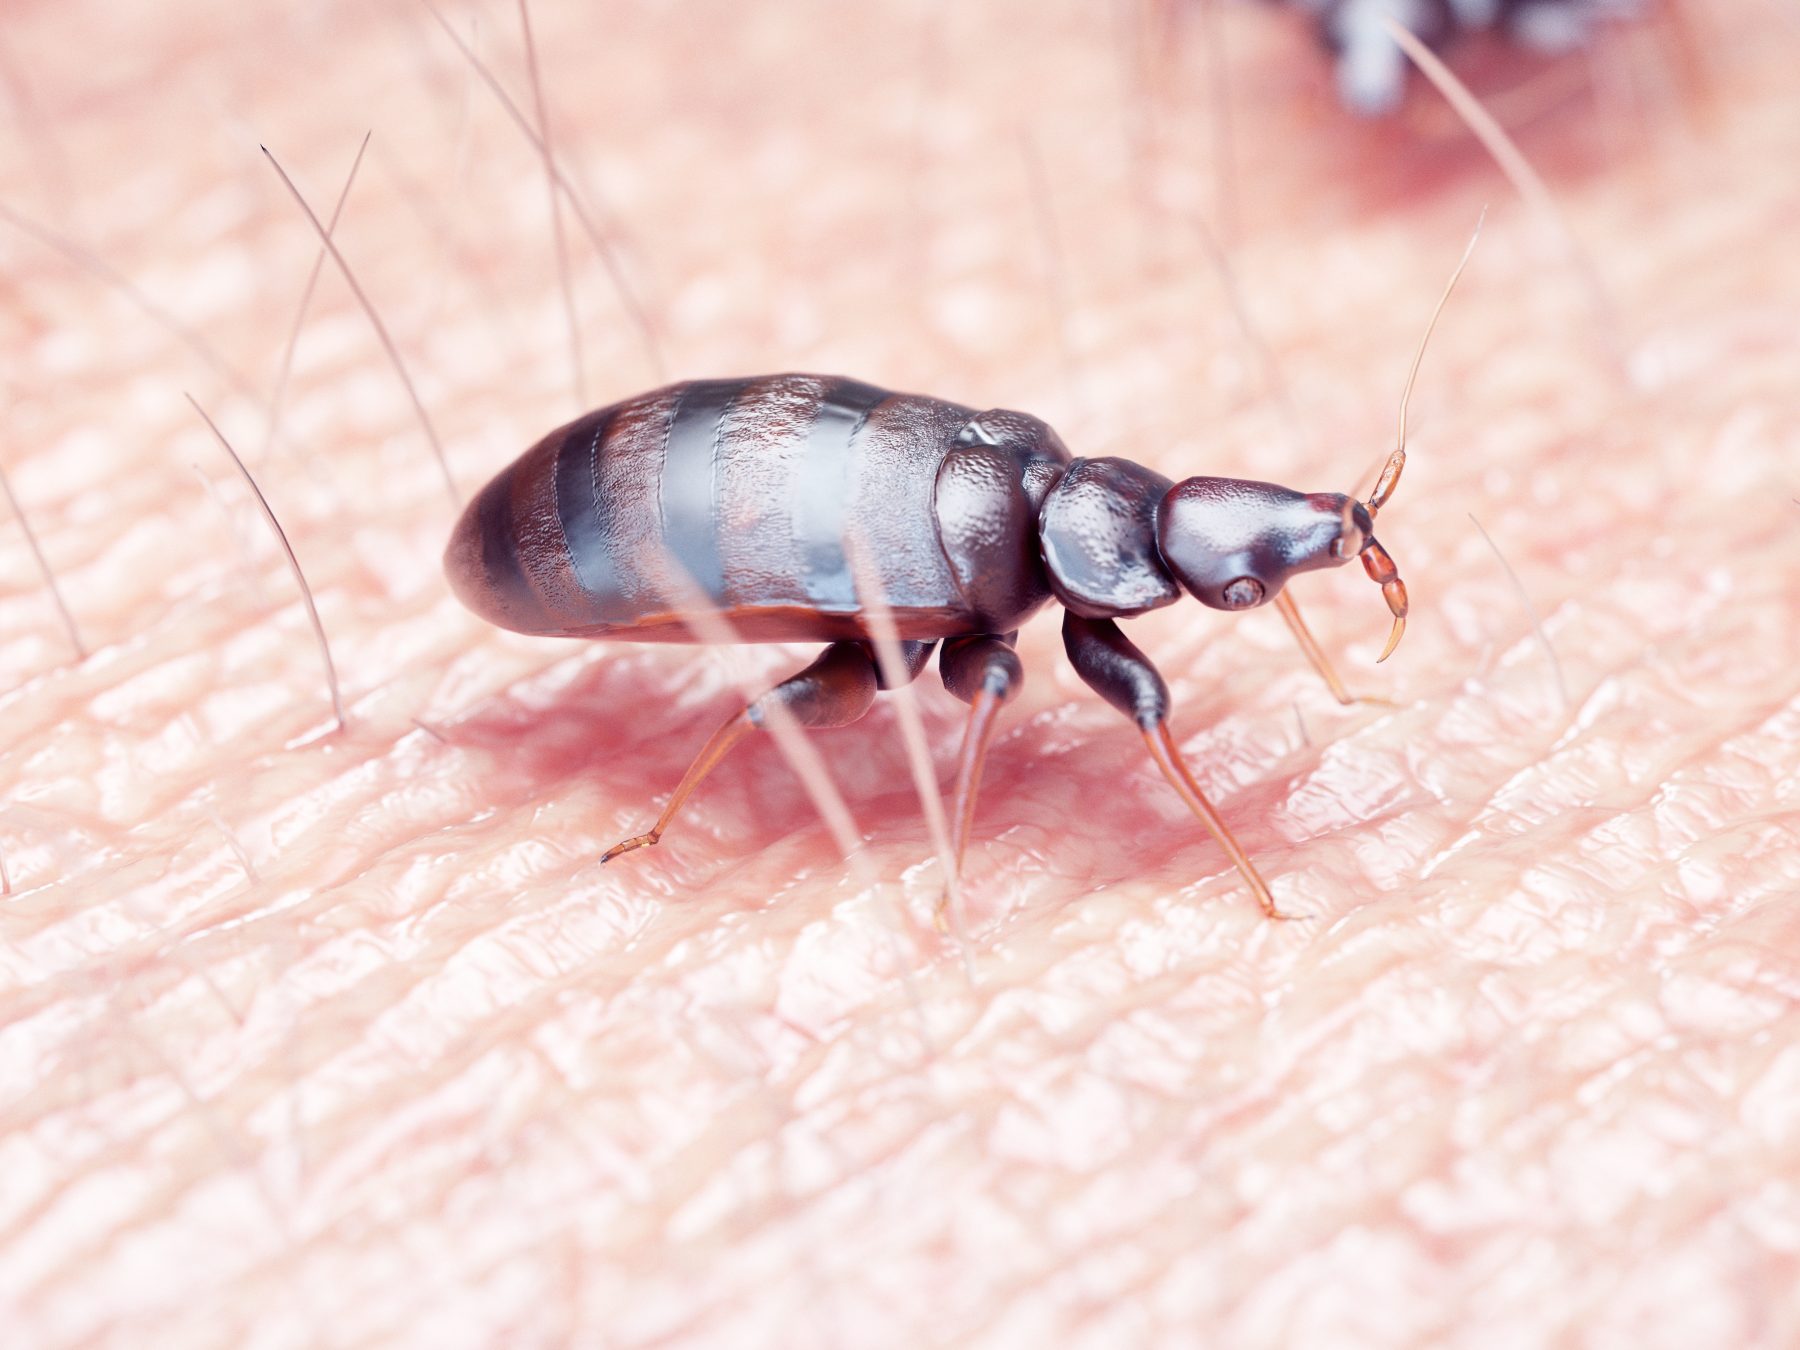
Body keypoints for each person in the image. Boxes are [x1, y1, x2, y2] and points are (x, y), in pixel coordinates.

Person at [2, 1, 1794, 1344]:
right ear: (1149, 551)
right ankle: (684, 829)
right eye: (1229, 554)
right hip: (625, 525)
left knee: (875, 674)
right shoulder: (1024, 580)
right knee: (813, 696)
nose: (1209, 573)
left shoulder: (1041, 509)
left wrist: (1319, 528)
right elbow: (1029, 642)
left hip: (755, 483)